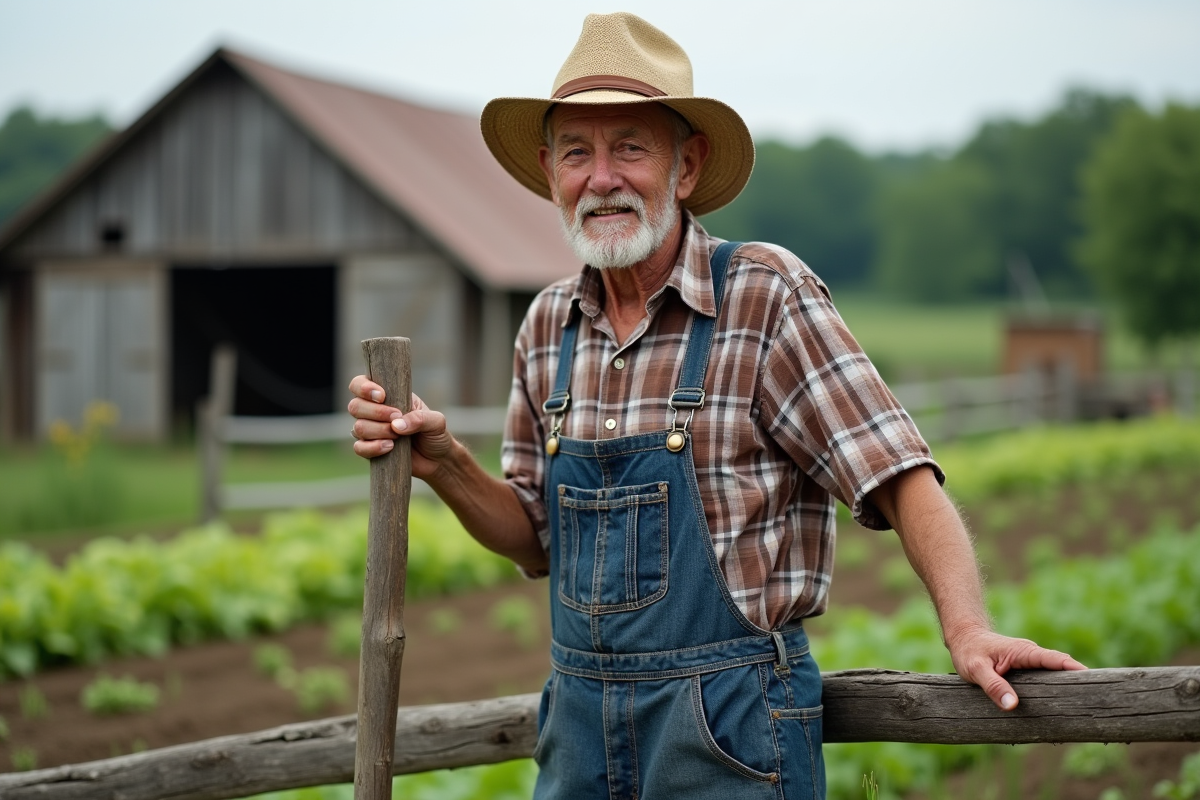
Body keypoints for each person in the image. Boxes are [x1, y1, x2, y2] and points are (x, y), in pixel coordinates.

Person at [348, 12, 1085, 799]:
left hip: (732, 728)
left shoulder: (764, 297)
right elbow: (536, 541)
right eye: (577, 153)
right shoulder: (548, 325)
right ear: (549, 172)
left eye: (630, 146)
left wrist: (967, 630)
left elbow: (900, 476)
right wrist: (446, 464)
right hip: (576, 733)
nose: (602, 178)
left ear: (687, 165)